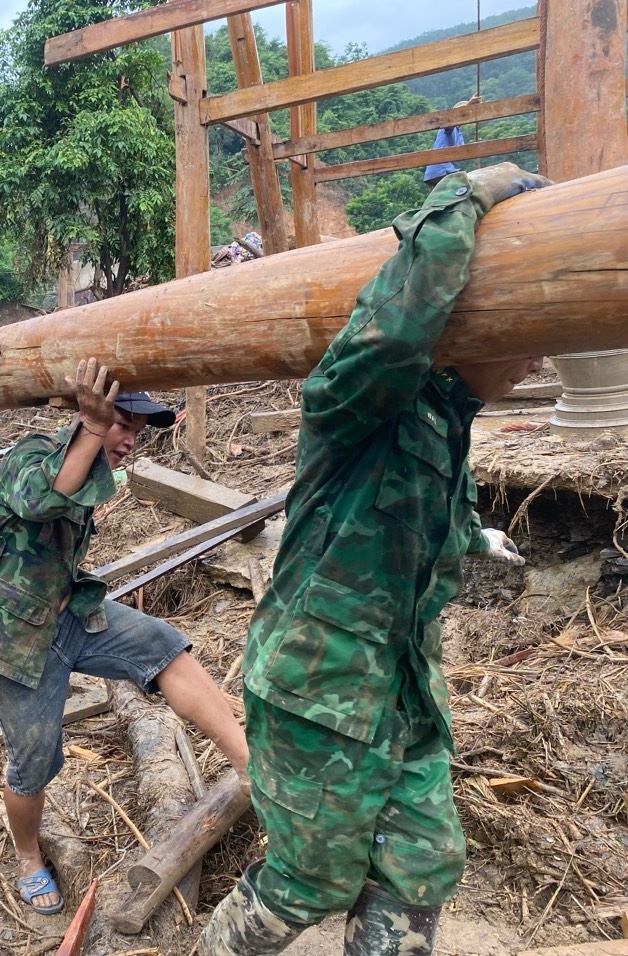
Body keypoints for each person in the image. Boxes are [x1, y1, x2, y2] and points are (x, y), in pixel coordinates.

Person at [196, 162, 549, 956]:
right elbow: (394, 330)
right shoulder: (361, 406)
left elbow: (424, 534)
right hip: (318, 692)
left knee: (425, 861)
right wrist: (467, 191)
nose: (536, 365)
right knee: (310, 881)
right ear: (466, 334)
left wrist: (475, 538)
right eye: (527, 343)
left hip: (399, 688)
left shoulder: (452, 424)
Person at [0, 365, 249, 916]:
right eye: (123, 424)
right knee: (34, 761)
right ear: (86, 416)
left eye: (136, 431)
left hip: (70, 615)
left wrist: (98, 434)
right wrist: (93, 428)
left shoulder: (92, 471)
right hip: (12, 642)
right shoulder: (33, 453)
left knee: (164, 646)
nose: (129, 440)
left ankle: (250, 766)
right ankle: (27, 855)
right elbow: (45, 499)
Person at [423, 92, 481, 188]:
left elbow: (462, 152)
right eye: (464, 115)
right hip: (441, 169)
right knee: (466, 188)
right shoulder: (449, 128)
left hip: (444, 169)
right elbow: (450, 123)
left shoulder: (458, 132)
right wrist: (469, 105)